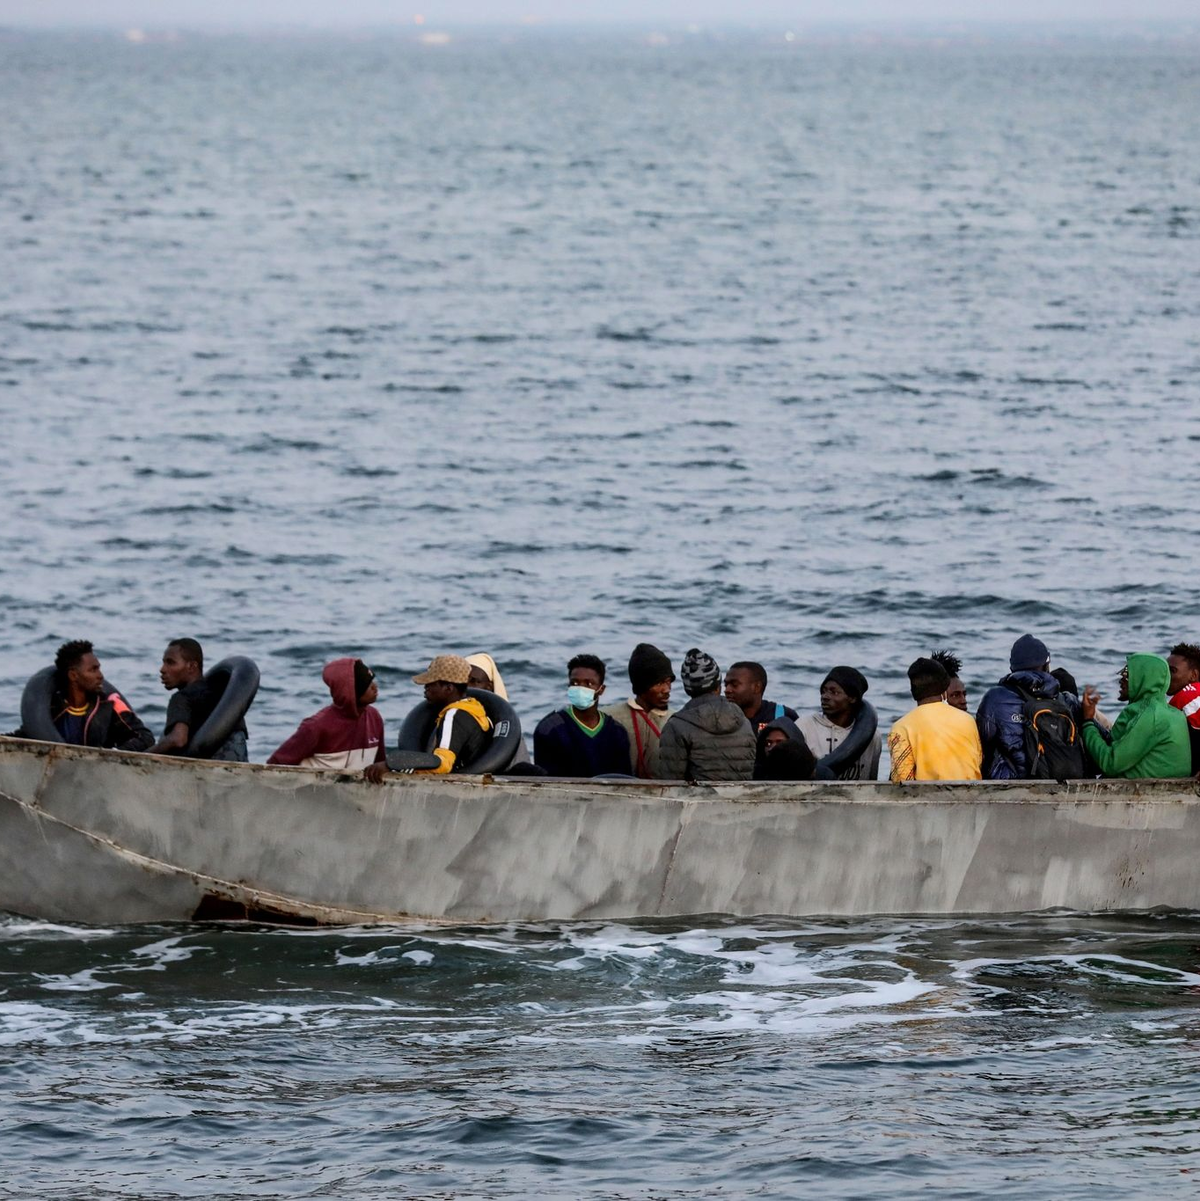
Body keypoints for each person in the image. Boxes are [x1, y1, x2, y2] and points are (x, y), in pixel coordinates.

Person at [11, 639, 153, 751]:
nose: (100, 676)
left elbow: (144, 738)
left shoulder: (109, 705)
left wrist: (112, 754)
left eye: (99, 669)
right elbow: (28, 734)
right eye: (93, 670)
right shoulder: (52, 707)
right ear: (73, 675)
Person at [975, 634, 1076, 780]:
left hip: (1009, 784)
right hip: (1057, 782)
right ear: (1047, 664)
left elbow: (983, 739)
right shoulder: (1067, 701)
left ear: (1012, 667)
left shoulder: (995, 698)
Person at [1081, 655, 1191, 779]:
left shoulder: (1151, 715)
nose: (1121, 679)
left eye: (1127, 674)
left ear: (1144, 679)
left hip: (1145, 793)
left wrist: (1088, 722)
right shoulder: (1170, 712)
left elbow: (1111, 764)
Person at [655, 648, 756, 782]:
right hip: (739, 800)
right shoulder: (743, 721)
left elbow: (671, 785)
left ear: (687, 688)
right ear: (718, 686)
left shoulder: (676, 726)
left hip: (698, 802)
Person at [267, 659, 384, 770]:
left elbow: (380, 762)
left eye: (373, 680)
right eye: (367, 684)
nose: (375, 687)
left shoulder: (375, 717)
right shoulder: (316, 726)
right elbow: (275, 764)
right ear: (351, 692)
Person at [149, 638, 248, 761]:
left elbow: (178, 740)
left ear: (191, 666)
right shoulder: (222, 694)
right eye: (163, 662)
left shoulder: (182, 698)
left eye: (170, 663)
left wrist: (143, 755)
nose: (162, 669)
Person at [533, 654, 631, 777]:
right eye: (575, 683)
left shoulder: (616, 731)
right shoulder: (550, 729)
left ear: (601, 689)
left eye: (589, 684)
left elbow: (624, 780)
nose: (580, 688)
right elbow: (545, 783)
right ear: (568, 686)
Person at [888, 657, 983, 782]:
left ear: (912, 691)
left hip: (929, 798)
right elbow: (978, 762)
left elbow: (902, 780)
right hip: (971, 796)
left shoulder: (901, 727)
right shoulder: (968, 720)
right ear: (944, 689)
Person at [602, 643, 676, 778]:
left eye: (669, 681)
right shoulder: (609, 719)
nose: (667, 689)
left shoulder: (677, 721)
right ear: (642, 686)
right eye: (659, 683)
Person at [795, 666, 881, 780]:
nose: (825, 697)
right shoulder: (804, 726)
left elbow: (872, 778)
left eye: (834, 692)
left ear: (852, 698)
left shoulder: (873, 736)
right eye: (824, 691)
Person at [724, 661, 798, 736]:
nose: (727, 690)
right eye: (726, 685)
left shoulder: (782, 715)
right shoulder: (719, 716)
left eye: (734, 684)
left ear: (757, 688)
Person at [1166, 642, 1200, 772]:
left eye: (1172, 671)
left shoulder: (1186, 698)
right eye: (1165, 670)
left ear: (1193, 675)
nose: (1166, 676)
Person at [753, 715, 815, 781]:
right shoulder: (755, 774)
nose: (772, 748)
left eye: (780, 742)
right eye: (768, 743)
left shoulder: (817, 774)